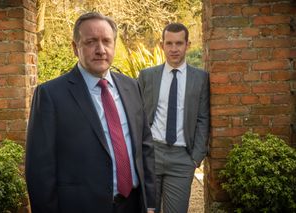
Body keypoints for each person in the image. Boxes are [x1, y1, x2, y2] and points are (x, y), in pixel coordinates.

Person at [26, 12, 155, 213]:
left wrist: (151, 203)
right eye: (91, 41)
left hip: (134, 204)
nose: (100, 49)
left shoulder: (132, 87)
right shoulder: (51, 95)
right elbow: (40, 170)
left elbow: (145, 147)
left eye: (106, 41)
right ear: (75, 48)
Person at [138, 23, 210, 213]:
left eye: (179, 43)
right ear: (162, 45)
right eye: (169, 43)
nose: (174, 49)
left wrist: (196, 157)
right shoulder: (147, 76)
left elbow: (202, 118)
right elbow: (136, 114)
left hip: (182, 158)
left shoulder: (200, 78)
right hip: (151, 153)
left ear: (188, 44)